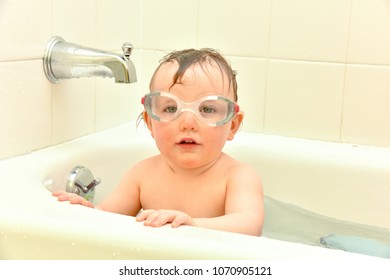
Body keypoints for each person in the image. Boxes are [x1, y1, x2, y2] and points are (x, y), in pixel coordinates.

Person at [53, 48, 264, 236]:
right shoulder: (142, 174)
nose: (188, 122)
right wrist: (85, 212)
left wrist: (194, 225)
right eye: (171, 108)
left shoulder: (238, 177)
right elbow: (107, 219)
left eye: (207, 109)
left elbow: (249, 225)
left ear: (233, 125)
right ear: (151, 123)